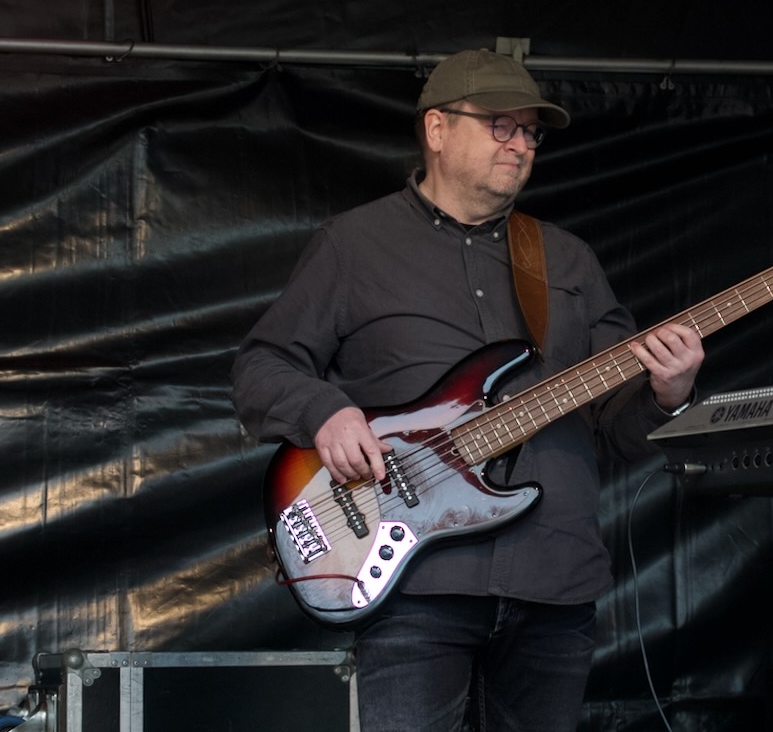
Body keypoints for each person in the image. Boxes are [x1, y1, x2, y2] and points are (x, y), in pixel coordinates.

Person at [230, 48, 704, 731]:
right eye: (501, 126)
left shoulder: (566, 260)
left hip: (554, 580)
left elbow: (613, 434)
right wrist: (326, 413)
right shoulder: (353, 246)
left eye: (530, 133)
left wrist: (668, 395)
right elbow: (262, 366)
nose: (521, 145)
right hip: (414, 586)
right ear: (437, 129)